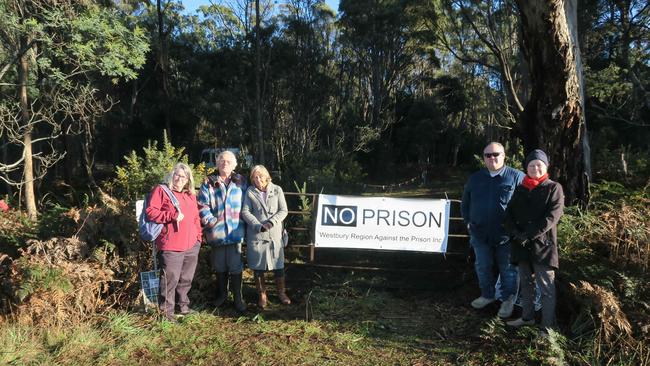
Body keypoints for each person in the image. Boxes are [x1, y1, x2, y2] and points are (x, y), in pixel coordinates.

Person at [461, 142, 525, 318]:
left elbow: (528, 204)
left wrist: (520, 229)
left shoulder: (517, 177)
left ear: (504, 156)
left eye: (496, 154)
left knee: (508, 269)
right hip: (480, 234)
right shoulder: (475, 178)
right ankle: (487, 295)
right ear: (484, 158)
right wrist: (467, 221)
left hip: (507, 236)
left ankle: (507, 301)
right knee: (482, 266)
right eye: (488, 155)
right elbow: (465, 202)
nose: (492, 158)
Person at [504, 149, 564, 332]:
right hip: (520, 246)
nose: (535, 168)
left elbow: (552, 217)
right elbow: (508, 215)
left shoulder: (554, 188)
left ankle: (547, 328)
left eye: (539, 164)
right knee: (526, 285)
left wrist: (529, 235)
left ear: (546, 166)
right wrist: (515, 233)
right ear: (526, 168)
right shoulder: (521, 188)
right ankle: (527, 318)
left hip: (542, 247)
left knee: (546, 288)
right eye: (531, 165)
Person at [145, 163, 202, 322]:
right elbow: (151, 212)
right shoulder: (161, 191)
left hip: (191, 244)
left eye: (184, 176)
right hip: (171, 244)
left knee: (186, 279)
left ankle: (183, 307)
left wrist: (198, 238)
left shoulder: (190, 195)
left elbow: (196, 218)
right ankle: (166, 314)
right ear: (171, 175)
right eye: (177, 175)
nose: (180, 179)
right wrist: (171, 215)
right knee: (170, 280)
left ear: (188, 180)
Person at [198, 150, 248, 312]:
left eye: (228, 161)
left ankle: (238, 298)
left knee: (235, 266)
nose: (225, 163)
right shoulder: (209, 183)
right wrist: (211, 221)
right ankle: (222, 296)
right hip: (216, 232)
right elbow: (202, 205)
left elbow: (248, 202)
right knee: (219, 266)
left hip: (235, 231)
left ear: (234, 165)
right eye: (221, 161)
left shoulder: (241, 181)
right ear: (217, 164)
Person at [241, 165, 290, 309]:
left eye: (260, 176)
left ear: (266, 176)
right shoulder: (250, 191)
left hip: (274, 233)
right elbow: (245, 211)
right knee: (258, 267)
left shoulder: (277, 189)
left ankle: (281, 293)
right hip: (257, 235)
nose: (258, 179)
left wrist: (271, 222)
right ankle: (262, 295)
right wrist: (257, 225)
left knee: (278, 266)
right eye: (255, 177)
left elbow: (283, 210)